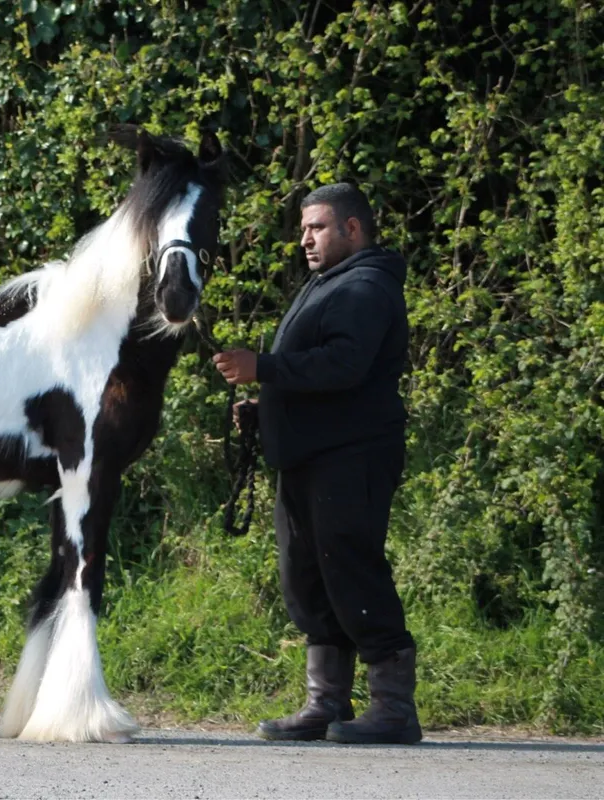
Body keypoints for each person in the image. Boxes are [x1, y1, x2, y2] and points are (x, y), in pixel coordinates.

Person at [212, 182, 421, 745]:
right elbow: (318, 369)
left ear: (353, 229)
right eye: (303, 228)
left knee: (352, 571)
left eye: (318, 227)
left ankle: (394, 709)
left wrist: (266, 370)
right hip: (311, 455)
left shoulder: (368, 284)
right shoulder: (328, 283)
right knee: (308, 580)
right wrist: (266, 406)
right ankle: (325, 704)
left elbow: (344, 365)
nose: (305, 239)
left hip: (352, 457)